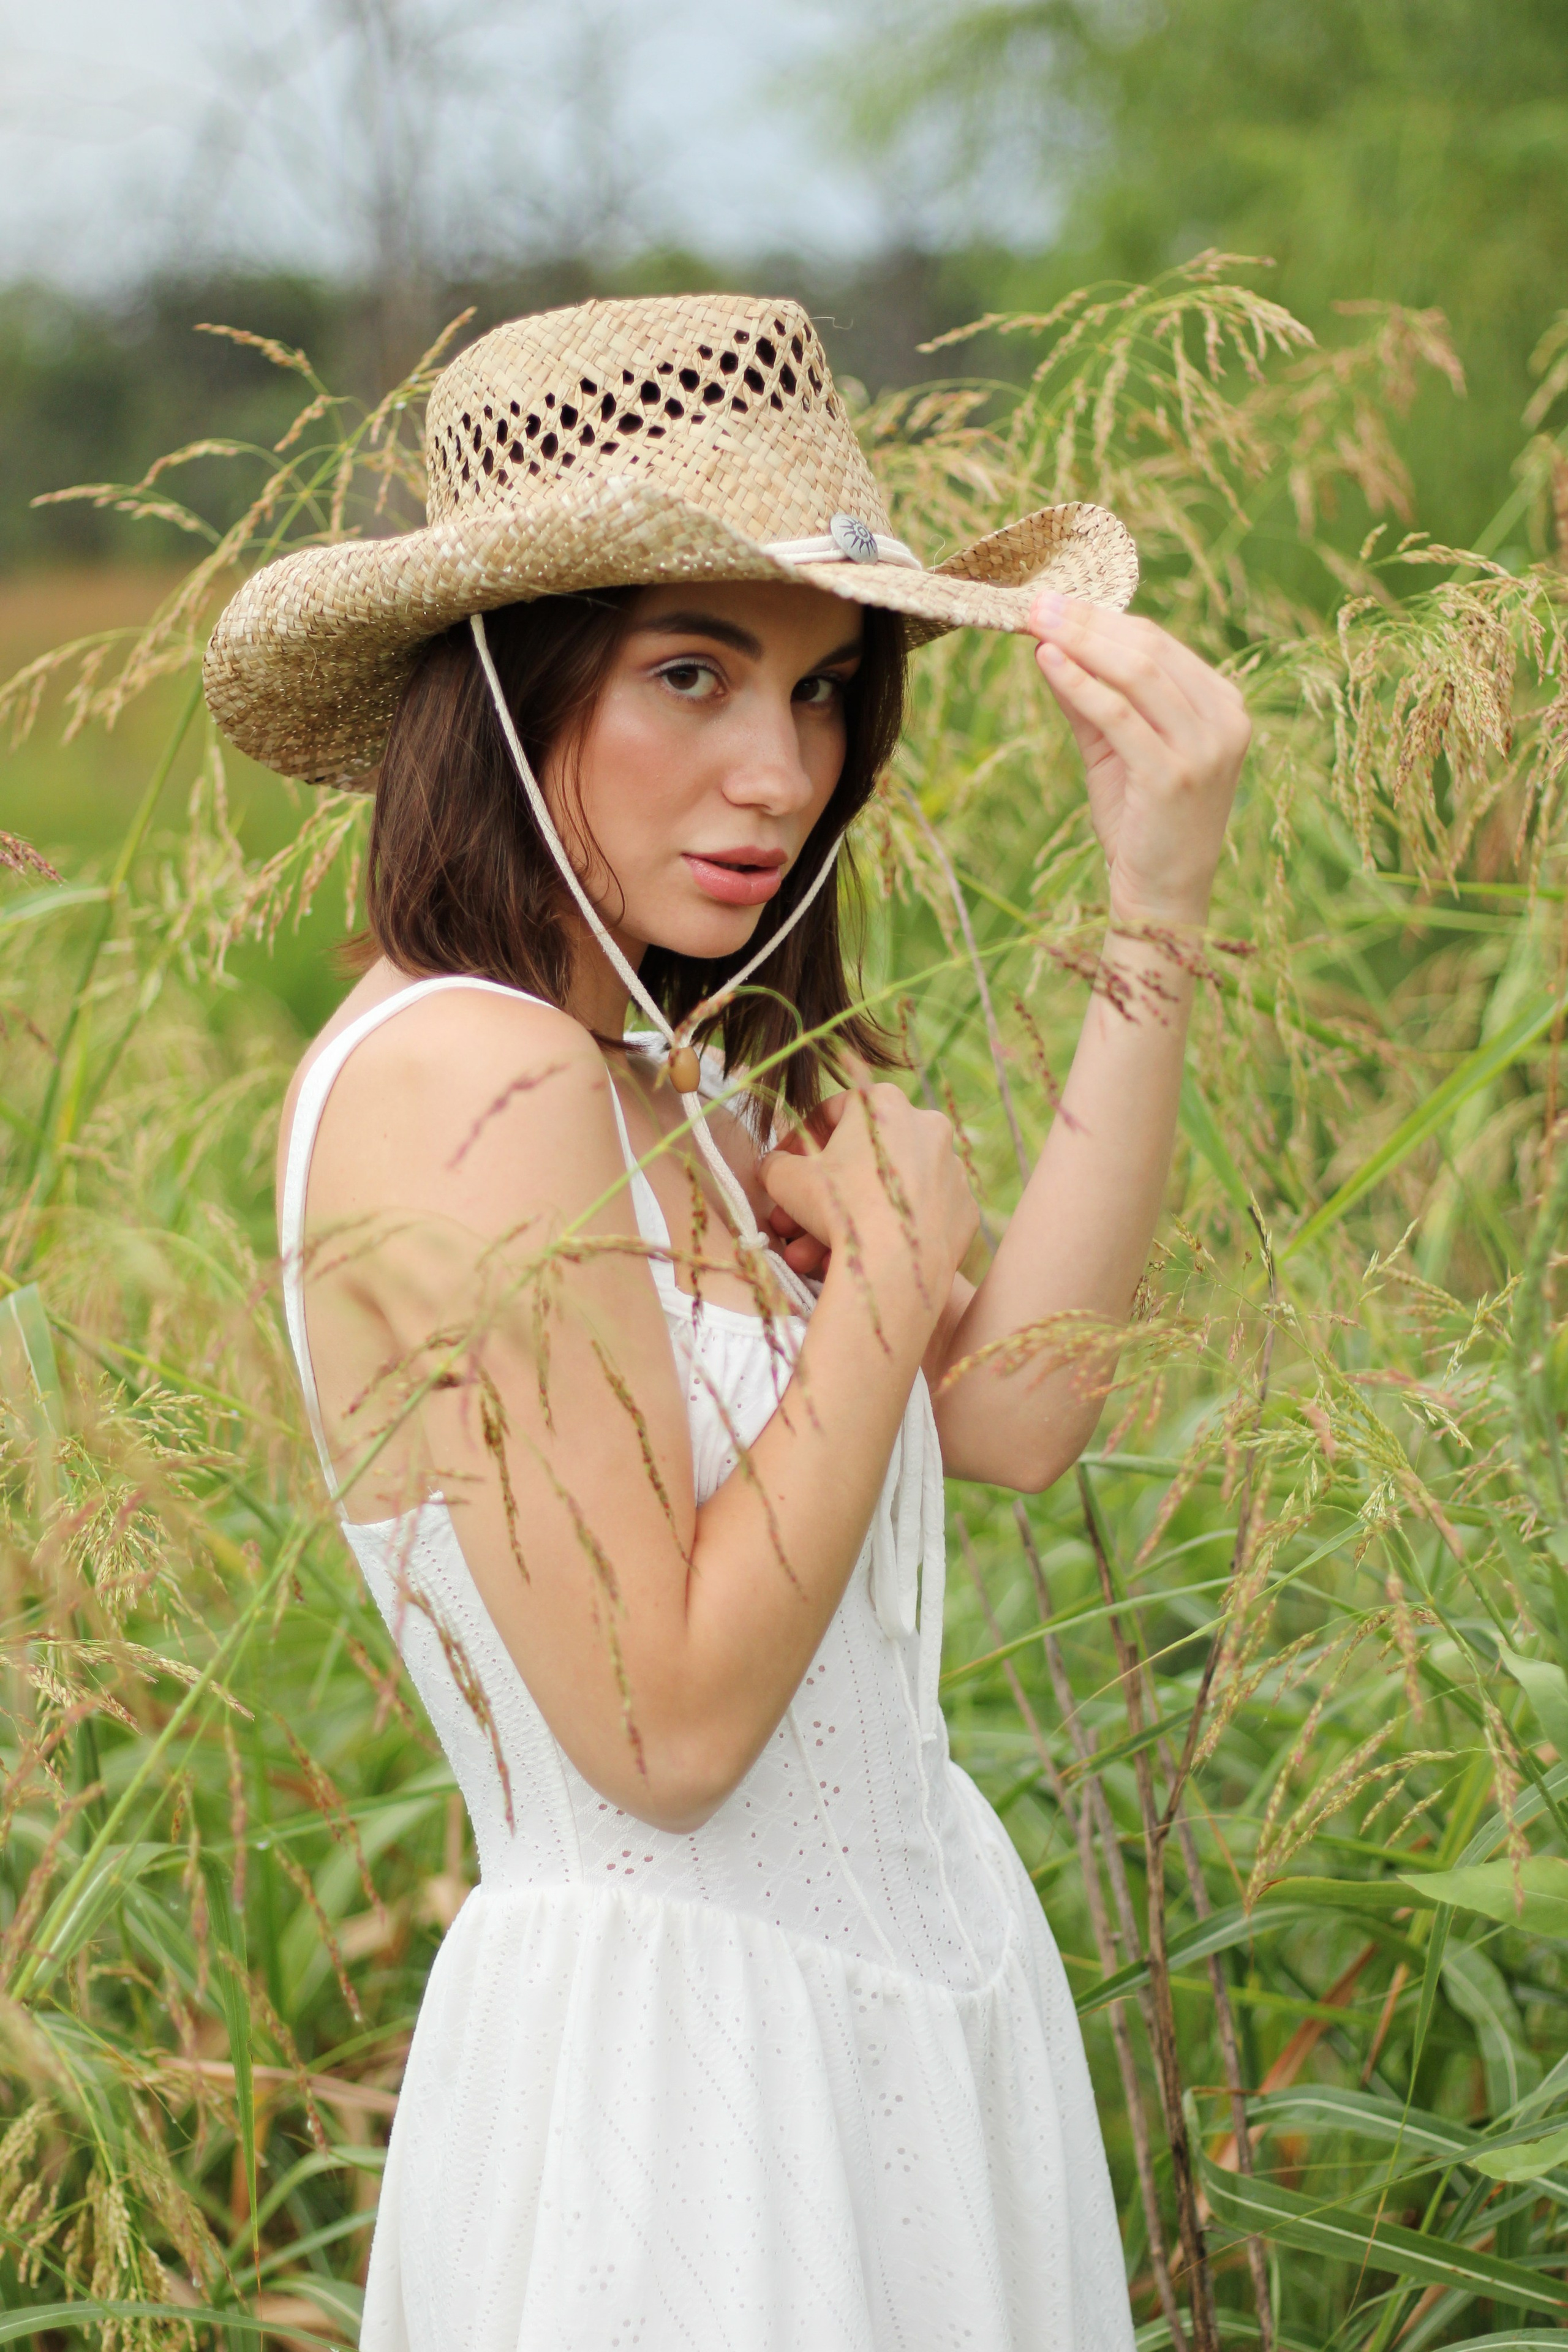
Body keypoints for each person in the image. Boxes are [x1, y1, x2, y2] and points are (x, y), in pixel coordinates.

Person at [205, 292, 1248, 2352]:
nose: (782, 768)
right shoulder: (459, 1078)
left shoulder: (660, 1083)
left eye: (827, 687)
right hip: (681, 2099)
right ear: (511, 686)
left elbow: (1026, 1417)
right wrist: (880, 1296)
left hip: (888, 2036)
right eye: (692, 671)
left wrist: (1162, 904)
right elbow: (661, 1728)